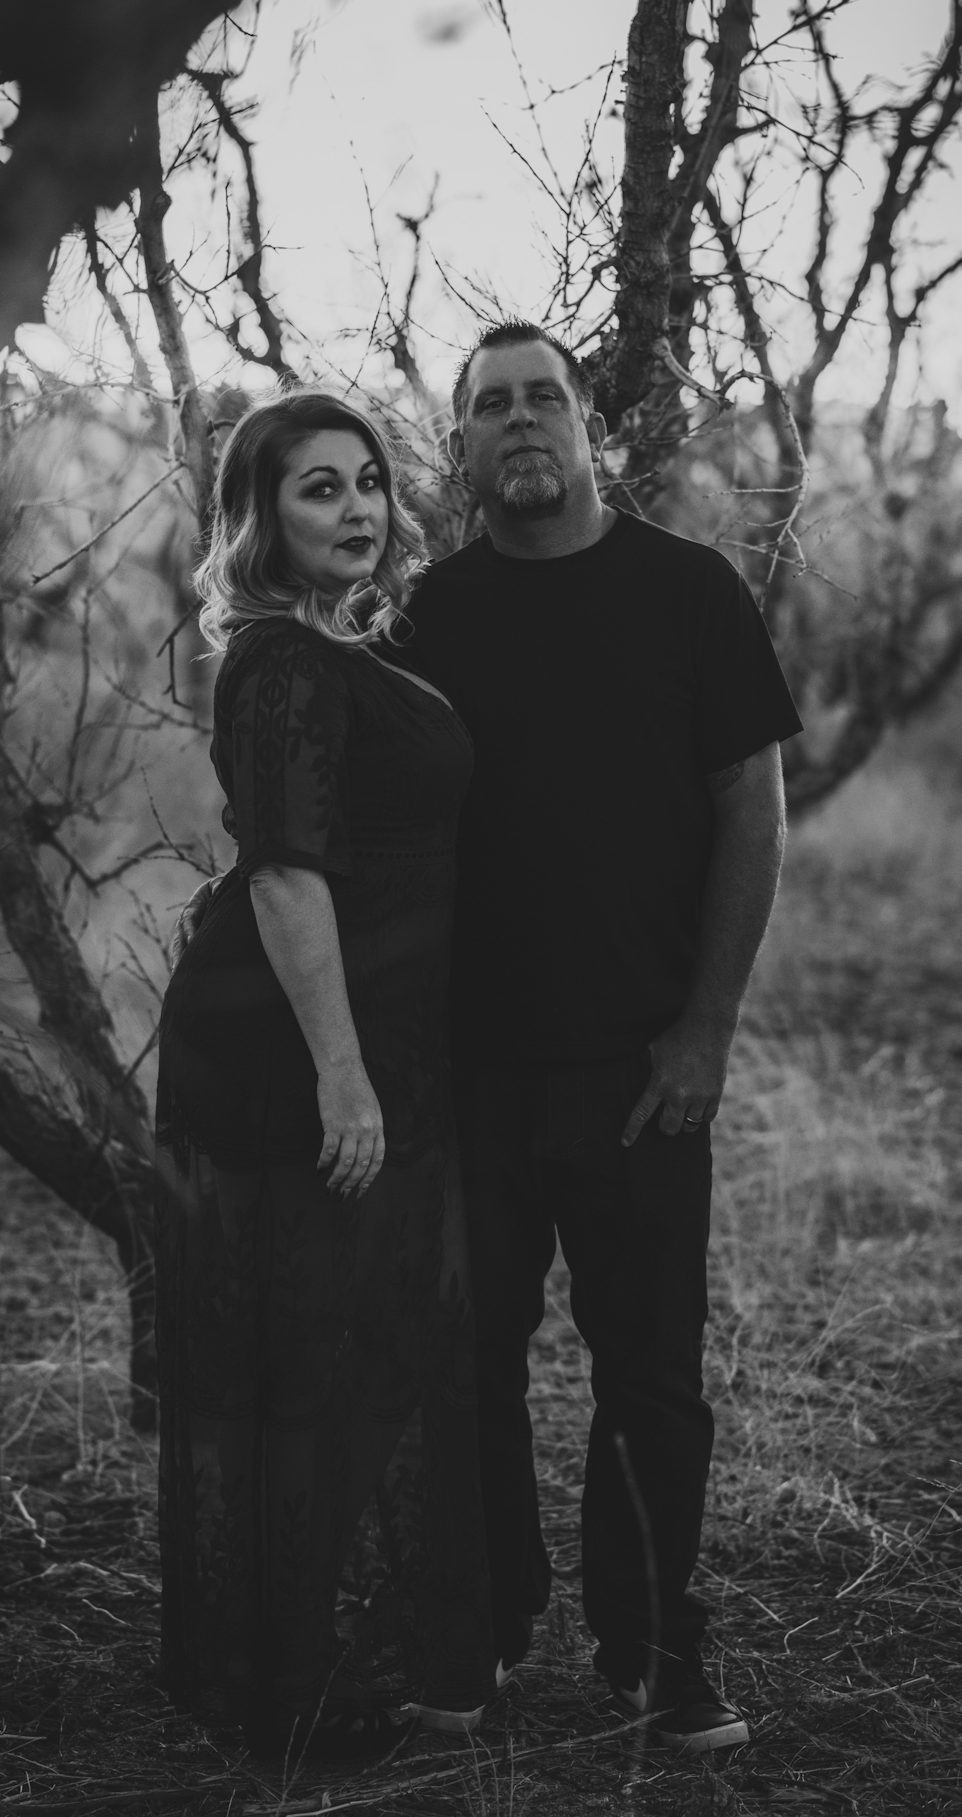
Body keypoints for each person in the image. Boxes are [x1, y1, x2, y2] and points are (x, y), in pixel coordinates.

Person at [391, 323, 804, 1758]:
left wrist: (704, 1028)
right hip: (468, 1073)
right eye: (489, 406)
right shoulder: (425, 617)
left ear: (594, 432)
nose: (520, 422)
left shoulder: (689, 593)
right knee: (467, 1368)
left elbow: (750, 810)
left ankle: (653, 1652)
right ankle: (482, 1631)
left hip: (641, 1069)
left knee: (650, 1381)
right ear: (461, 446)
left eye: (544, 399)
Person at [154, 390, 495, 1764]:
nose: (356, 509)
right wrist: (342, 1079)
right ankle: (287, 1682)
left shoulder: (337, 645)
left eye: (366, 482)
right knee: (311, 1360)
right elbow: (288, 876)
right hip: (296, 1055)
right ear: (259, 518)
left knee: (371, 1348)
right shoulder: (283, 661)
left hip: (377, 1039)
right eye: (318, 489)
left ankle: (357, 1655)